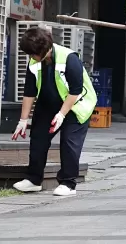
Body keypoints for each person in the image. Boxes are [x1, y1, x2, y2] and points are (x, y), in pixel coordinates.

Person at [11, 26, 97, 197]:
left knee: (69, 141)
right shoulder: (34, 61)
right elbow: (29, 92)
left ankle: (68, 183)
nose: (31, 57)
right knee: (38, 138)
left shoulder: (69, 58)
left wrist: (62, 114)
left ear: (43, 50)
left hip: (76, 104)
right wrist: (22, 120)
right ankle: (34, 180)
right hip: (48, 103)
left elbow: (76, 90)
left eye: (33, 54)